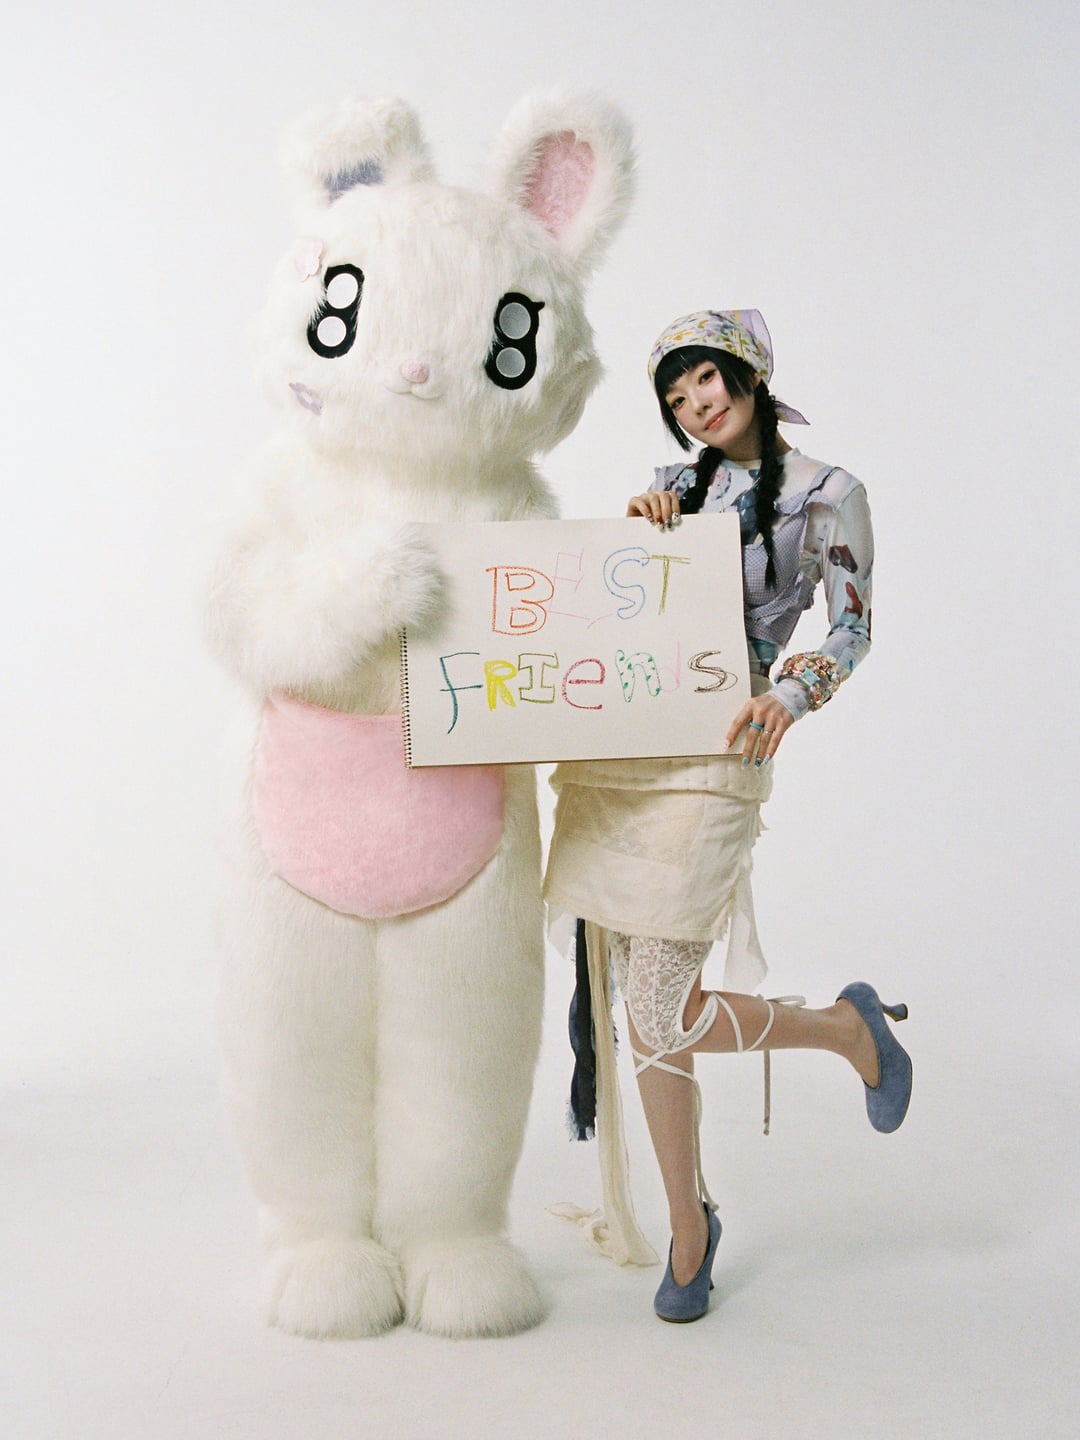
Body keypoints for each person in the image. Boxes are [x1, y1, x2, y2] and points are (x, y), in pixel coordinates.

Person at [542, 308, 911, 1323]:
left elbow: (853, 627)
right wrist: (635, 535)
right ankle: (689, 1225)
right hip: (628, 743)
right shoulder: (672, 488)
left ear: (745, 372)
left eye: (704, 379)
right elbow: (620, 608)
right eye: (675, 396)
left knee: (660, 1011)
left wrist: (790, 696)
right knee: (641, 1015)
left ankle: (844, 1030)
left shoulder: (830, 494)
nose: (694, 404)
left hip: (723, 739)